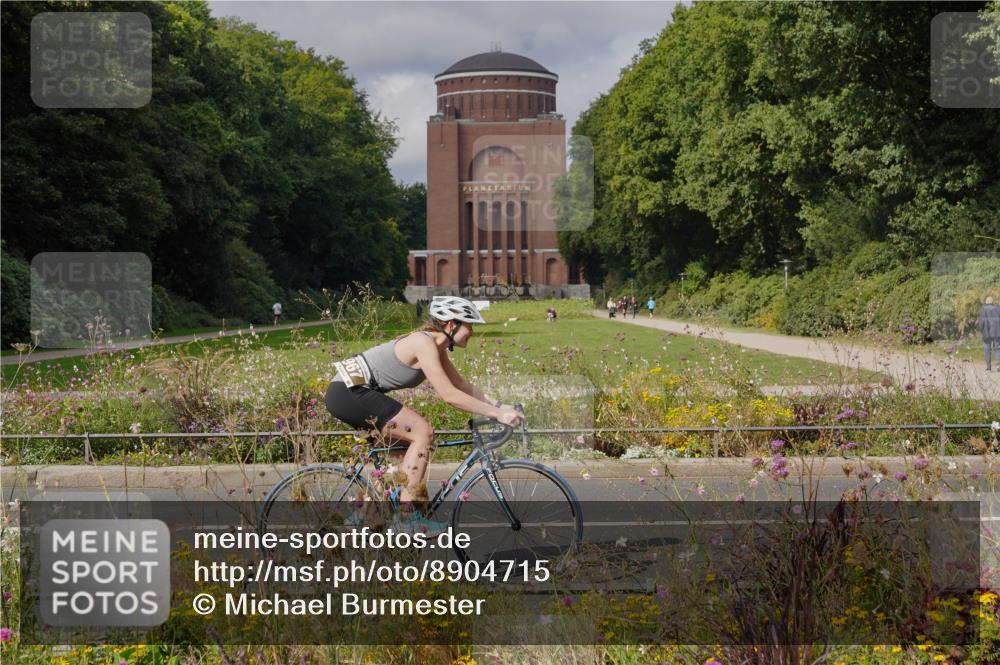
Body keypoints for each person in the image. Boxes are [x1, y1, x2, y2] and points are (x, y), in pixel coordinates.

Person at [324, 296, 523, 530]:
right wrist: (497, 415)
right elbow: (449, 395)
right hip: (348, 392)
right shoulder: (423, 343)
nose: (472, 331)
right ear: (451, 325)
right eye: (469, 325)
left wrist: (500, 407)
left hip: (354, 392)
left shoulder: (435, 347)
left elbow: (461, 385)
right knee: (423, 432)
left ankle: (365, 512)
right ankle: (407, 519)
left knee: (404, 459)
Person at [979, 296, 1000, 371]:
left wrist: (980, 330)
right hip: (997, 332)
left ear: (986, 302)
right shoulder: (998, 309)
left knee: (987, 349)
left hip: (986, 332)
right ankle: (998, 365)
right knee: (998, 348)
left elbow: (981, 322)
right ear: (992, 302)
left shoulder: (983, 309)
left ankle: (989, 367)